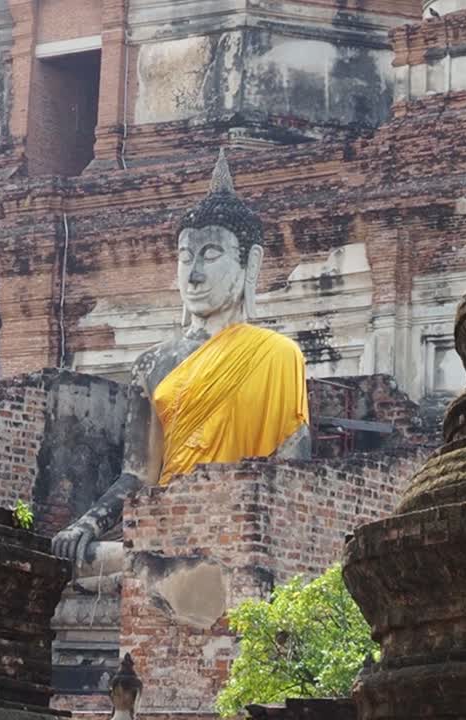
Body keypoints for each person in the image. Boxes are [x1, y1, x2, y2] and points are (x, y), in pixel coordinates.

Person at [51, 149, 310, 565]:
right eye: (185, 258)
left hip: (245, 534)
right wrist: (89, 523)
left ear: (250, 264)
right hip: (169, 526)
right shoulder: (152, 365)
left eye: (210, 256)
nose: (193, 275)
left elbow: (294, 475)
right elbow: (138, 476)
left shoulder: (279, 356)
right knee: (93, 562)